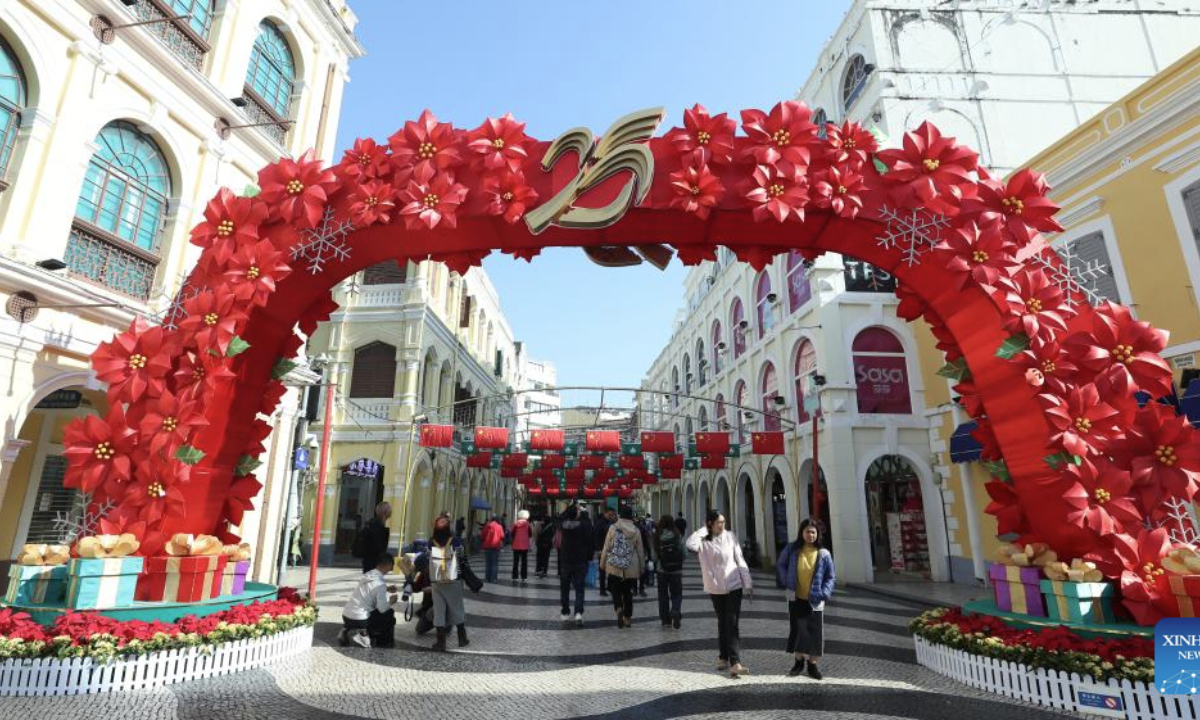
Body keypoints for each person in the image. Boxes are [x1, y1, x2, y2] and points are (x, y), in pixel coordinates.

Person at [687, 510, 753, 678]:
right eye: (719, 522)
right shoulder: (703, 541)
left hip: (734, 585)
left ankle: (735, 662)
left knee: (731, 622)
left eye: (724, 522)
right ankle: (723, 656)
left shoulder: (730, 536)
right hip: (715, 587)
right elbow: (690, 544)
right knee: (723, 621)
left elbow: (739, 559)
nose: (723, 525)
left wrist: (747, 582)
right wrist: (704, 529)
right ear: (710, 523)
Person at [776, 518, 836, 680]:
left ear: (818, 534)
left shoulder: (824, 553)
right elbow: (781, 564)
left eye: (813, 532)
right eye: (807, 531)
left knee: (815, 633)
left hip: (815, 600)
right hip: (796, 598)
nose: (810, 535)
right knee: (798, 631)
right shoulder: (792, 549)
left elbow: (830, 576)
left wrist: (824, 592)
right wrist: (785, 581)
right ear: (801, 533)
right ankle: (798, 662)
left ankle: (813, 665)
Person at [426, 514, 472, 651]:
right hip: (453, 580)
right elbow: (462, 557)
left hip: (436, 581)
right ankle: (462, 638)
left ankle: (441, 643)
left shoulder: (431, 541)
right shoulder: (455, 541)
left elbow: (428, 557)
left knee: (439, 611)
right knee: (457, 608)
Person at [599, 505, 646, 629]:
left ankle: (618, 608)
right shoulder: (636, 530)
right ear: (631, 516)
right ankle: (627, 619)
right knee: (628, 593)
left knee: (615, 591)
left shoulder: (613, 528)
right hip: (631, 566)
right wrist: (642, 568)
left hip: (614, 565)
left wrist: (602, 563)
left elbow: (606, 547)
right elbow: (640, 551)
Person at [339, 552, 398, 648]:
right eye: (391, 566)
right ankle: (365, 634)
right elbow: (382, 609)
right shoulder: (380, 584)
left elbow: (369, 589)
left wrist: (386, 589)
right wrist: (391, 601)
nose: (391, 569)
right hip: (360, 619)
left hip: (346, 616)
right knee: (389, 614)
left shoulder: (368, 575)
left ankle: (346, 629)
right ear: (388, 565)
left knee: (367, 611)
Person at [557, 504, 593, 625]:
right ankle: (578, 612)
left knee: (565, 588)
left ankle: (565, 612)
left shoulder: (563, 526)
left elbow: (559, 518)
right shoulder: (583, 525)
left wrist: (569, 509)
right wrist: (582, 512)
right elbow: (589, 536)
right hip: (580, 561)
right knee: (580, 589)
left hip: (566, 561)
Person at [654, 513, 685, 629]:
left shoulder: (657, 535)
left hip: (662, 569)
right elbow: (684, 552)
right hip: (676, 570)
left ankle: (665, 620)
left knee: (663, 595)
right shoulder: (677, 535)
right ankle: (675, 610)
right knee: (677, 593)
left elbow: (654, 556)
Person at [354, 502, 392, 573]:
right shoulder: (377, 527)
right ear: (386, 512)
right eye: (390, 510)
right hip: (373, 563)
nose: (391, 512)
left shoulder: (373, 524)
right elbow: (379, 547)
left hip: (370, 561)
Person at [593, 507, 616, 596]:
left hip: (610, 549)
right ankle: (602, 589)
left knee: (612, 569)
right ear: (606, 513)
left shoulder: (609, 522)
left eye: (613, 515)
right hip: (602, 549)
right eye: (610, 514)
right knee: (602, 570)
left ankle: (609, 587)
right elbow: (596, 536)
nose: (611, 516)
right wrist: (598, 549)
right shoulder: (600, 522)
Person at [510, 510, 533, 582]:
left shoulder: (515, 523)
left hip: (516, 545)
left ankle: (515, 576)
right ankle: (524, 576)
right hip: (525, 545)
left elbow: (512, 533)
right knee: (524, 562)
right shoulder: (528, 524)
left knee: (515, 562)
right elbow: (530, 534)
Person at [480, 515, 505, 583]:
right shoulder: (499, 527)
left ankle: (487, 578)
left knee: (488, 563)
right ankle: (493, 579)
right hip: (495, 547)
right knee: (494, 563)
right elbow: (502, 536)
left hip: (487, 547)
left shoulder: (486, 526)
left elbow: (482, 536)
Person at [535, 513, 556, 578]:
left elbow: (537, 533)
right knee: (546, 558)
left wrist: (536, 541)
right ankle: (544, 571)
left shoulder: (540, 525)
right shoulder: (552, 526)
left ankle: (538, 570)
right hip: (548, 544)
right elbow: (553, 535)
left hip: (540, 543)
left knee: (539, 558)